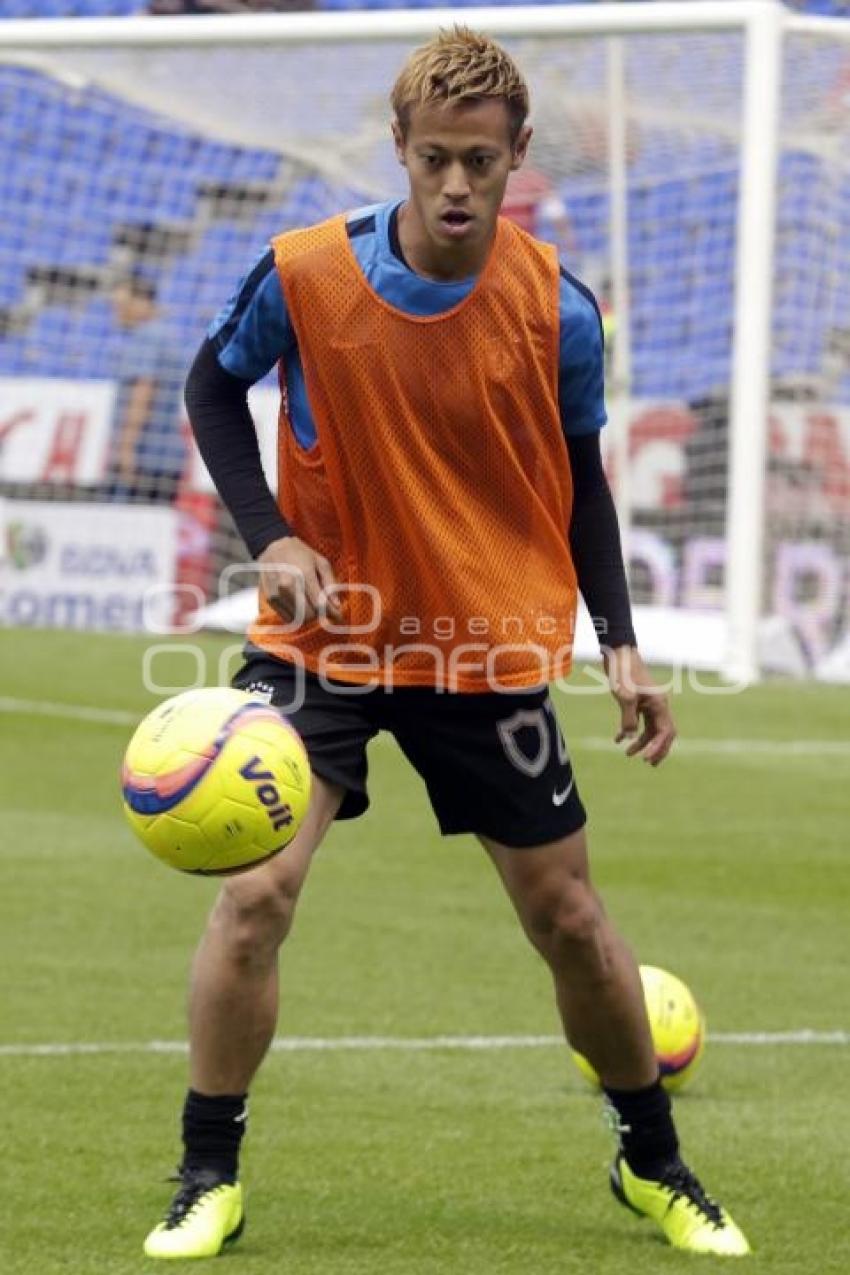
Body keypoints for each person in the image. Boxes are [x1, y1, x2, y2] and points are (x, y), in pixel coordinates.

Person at [143, 28, 750, 1261]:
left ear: (519, 154)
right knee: (254, 897)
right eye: (435, 160)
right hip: (323, 639)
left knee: (569, 918)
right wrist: (270, 540)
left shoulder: (559, 310)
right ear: (399, 153)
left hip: (483, 647)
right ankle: (207, 1171)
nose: (459, 185)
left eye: (481, 160)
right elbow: (211, 387)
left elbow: (580, 483)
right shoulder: (305, 272)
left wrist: (619, 643)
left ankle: (654, 1161)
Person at [106, 273, 186, 505]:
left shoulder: (146, 338)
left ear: (142, 303)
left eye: (122, 305)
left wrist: (126, 448)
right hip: (166, 458)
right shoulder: (167, 335)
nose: (117, 312)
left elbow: (143, 391)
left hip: (145, 457)